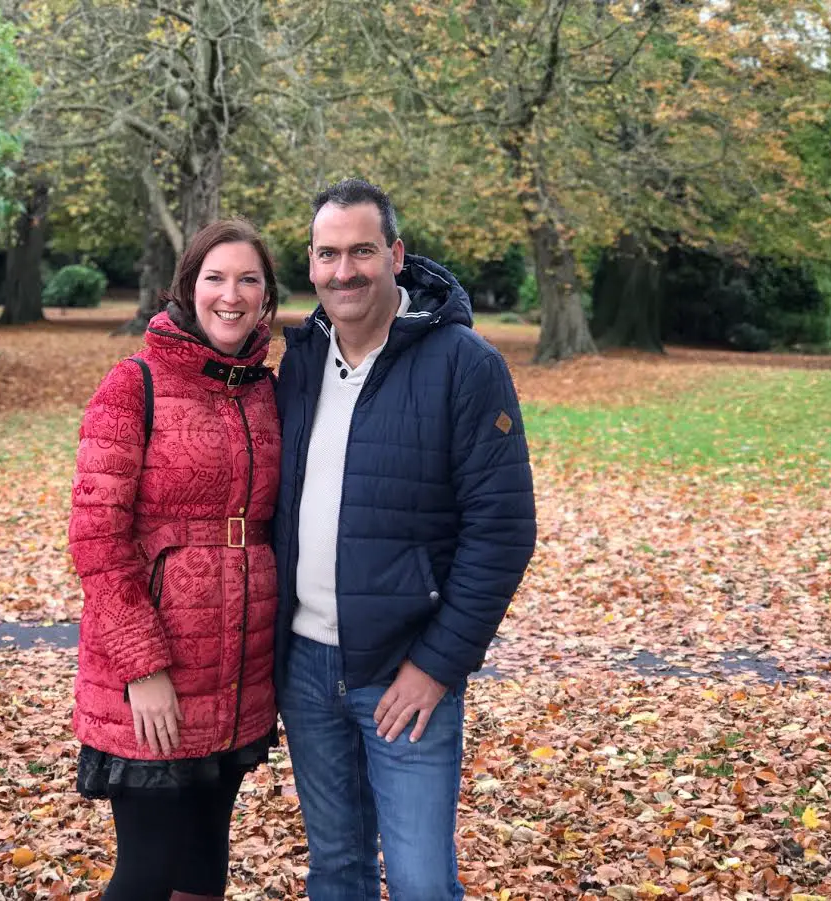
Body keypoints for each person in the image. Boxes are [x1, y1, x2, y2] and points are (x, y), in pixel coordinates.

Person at [272, 178, 537, 900]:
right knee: (337, 869)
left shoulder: (463, 363)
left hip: (403, 670)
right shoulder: (298, 363)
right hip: (304, 665)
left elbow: (503, 529)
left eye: (361, 250)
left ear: (394, 255)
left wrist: (437, 663)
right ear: (311, 264)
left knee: (420, 881)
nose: (344, 270)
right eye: (328, 254)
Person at [68, 219, 282, 901]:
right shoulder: (133, 384)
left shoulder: (264, 390)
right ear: (187, 289)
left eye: (248, 279)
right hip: (155, 669)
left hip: (238, 670)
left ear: (267, 297)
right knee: (147, 873)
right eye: (214, 278)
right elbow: (96, 539)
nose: (231, 294)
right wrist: (143, 667)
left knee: (201, 866)